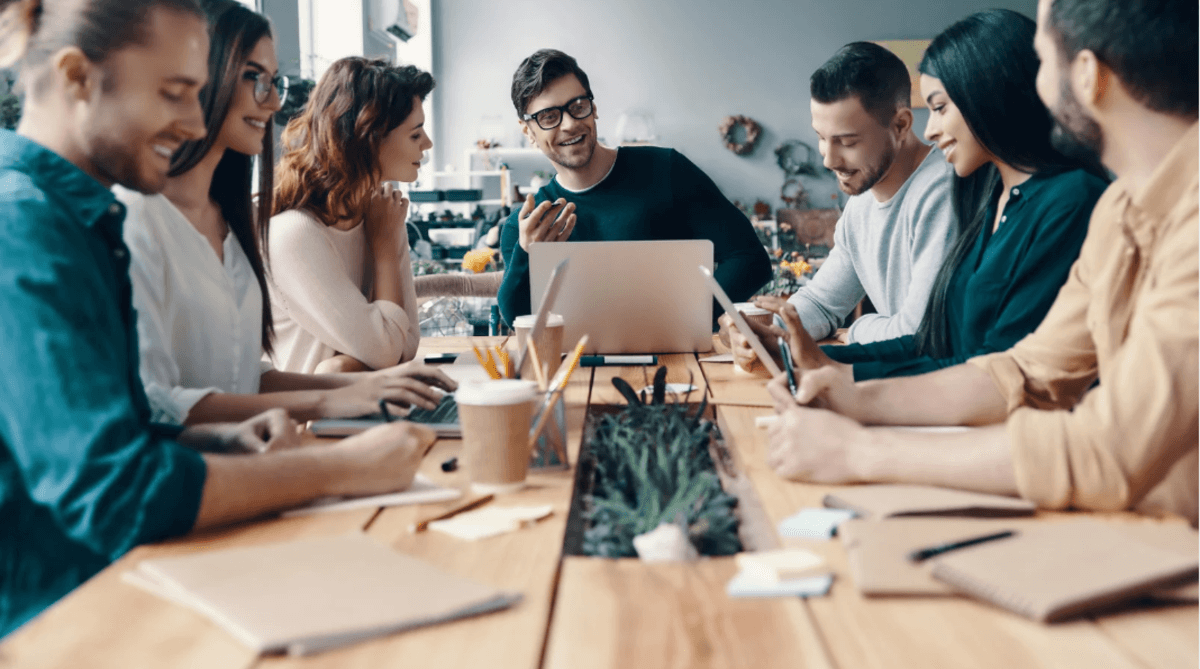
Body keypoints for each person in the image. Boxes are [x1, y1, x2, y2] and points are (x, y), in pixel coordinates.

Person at [0, 0, 436, 637]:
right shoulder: (27, 229)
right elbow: (115, 493)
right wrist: (344, 468)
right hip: (69, 620)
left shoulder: (81, 217)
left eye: (200, 93)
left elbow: (120, 428)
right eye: (175, 93)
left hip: (138, 584)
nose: (191, 119)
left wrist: (213, 439)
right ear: (76, 80)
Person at [765, 0, 1198, 524]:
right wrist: (853, 398)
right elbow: (1025, 372)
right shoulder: (1119, 210)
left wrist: (859, 451)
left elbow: (1111, 448)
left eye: (1044, 62)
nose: (1036, 83)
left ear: (1087, 76)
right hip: (1138, 530)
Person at [117, 1, 454, 425]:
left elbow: (246, 378)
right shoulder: (139, 218)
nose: (276, 101)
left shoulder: (232, 220)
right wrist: (338, 394)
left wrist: (368, 388)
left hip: (263, 452)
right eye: (255, 78)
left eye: (275, 81)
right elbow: (157, 405)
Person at [733, 10, 1108, 381]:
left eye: (940, 107)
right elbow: (942, 346)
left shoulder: (1041, 197)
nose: (828, 159)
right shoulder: (997, 198)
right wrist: (795, 348)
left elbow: (987, 368)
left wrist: (846, 356)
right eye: (820, 138)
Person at [496, 49, 771, 329]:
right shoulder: (529, 225)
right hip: (578, 369)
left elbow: (749, 259)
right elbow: (516, 318)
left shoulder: (667, 170)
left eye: (578, 106)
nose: (569, 124)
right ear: (528, 131)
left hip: (678, 365)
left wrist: (688, 319)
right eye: (549, 117)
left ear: (594, 107)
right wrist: (526, 252)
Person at [724, 42, 956, 358]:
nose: (829, 160)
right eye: (821, 138)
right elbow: (822, 302)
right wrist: (765, 330)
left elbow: (921, 335)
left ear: (900, 125)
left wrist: (858, 330)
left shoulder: (942, 192)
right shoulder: (861, 202)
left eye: (846, 142)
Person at [267, 57, 432, 375]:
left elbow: (407, 343)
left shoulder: (380, 213)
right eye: (415, 135)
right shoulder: (295, 233)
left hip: (366, 408)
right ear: (370, 139)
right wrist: (384, 245)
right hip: (307, 421)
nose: (428, 144)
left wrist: (346, 364)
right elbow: (387, 350)